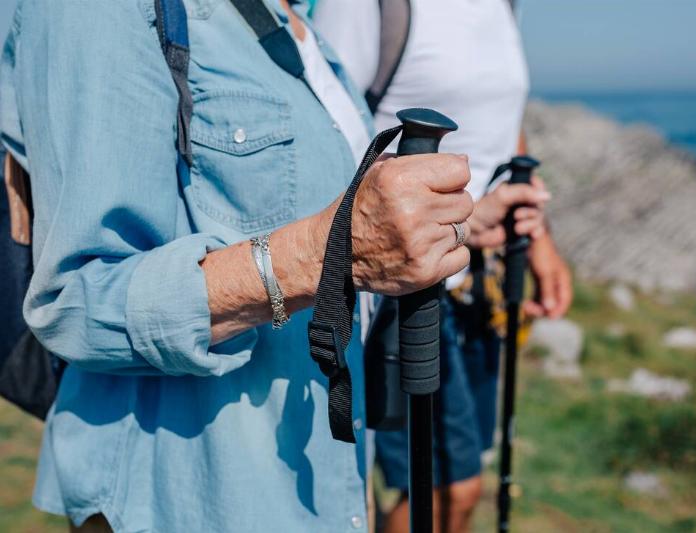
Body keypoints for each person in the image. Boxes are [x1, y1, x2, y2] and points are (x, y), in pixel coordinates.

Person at [0, 0, 549, 531]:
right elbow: (77, 299)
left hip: (316, 482)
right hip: (188, 495)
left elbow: (301, 204)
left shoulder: (297, 23)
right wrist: (327, 252)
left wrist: (449, 226)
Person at [314, 1, 574, 531]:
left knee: (462, 474)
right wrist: (467, 216)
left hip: (474, 279)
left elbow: (502, 118)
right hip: (399, 286)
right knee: (444, 489)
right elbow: (322, 130)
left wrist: (540, 240)